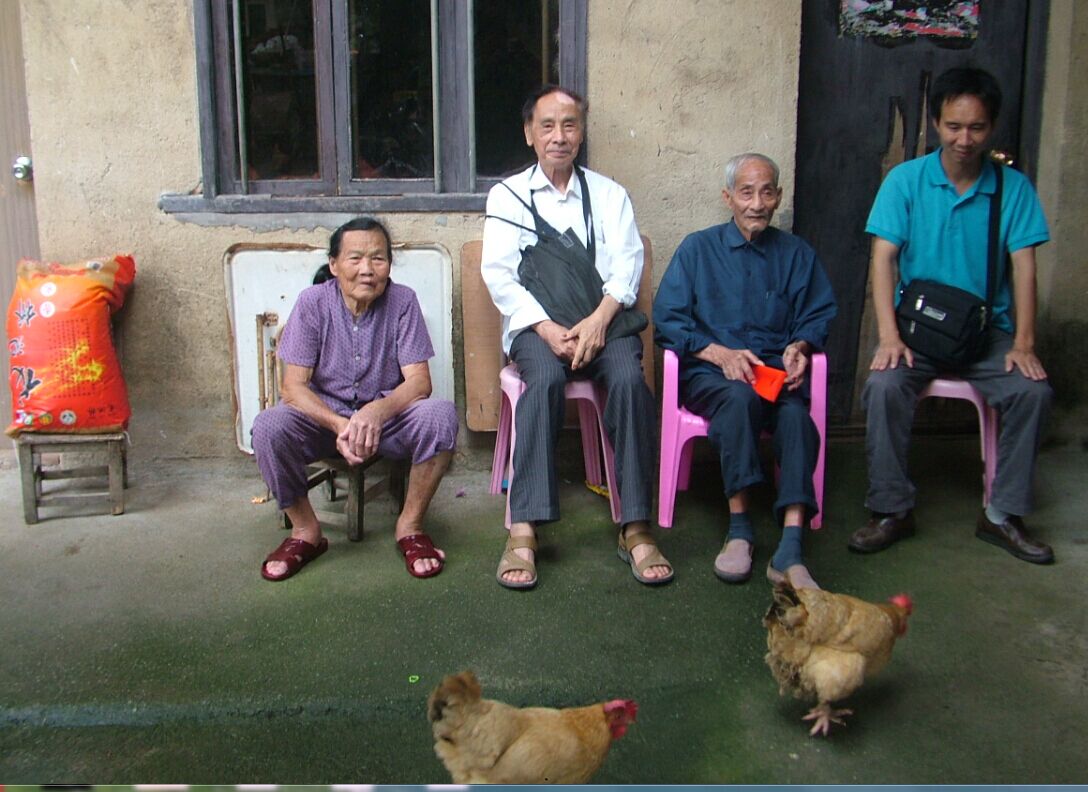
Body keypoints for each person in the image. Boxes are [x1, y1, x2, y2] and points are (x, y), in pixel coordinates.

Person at [851, 67, 1054, 564]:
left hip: (986, 334)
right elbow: (883, 258)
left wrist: (1024, 343)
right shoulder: (906, 181)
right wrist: (889, 336)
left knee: (1032, 391)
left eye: (977, 128)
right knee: (883, 387)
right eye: (954, 126)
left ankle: (1002, 514)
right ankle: (891, 508)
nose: (965, 140)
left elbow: (1025, 269)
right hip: (918, 332)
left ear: (992, 127)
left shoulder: (1011, 189)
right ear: (937, 123)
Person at [481, 84, 672, 589]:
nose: (559, 136)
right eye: (547, 126)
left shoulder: (609, 195)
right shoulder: (507, 196)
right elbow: (499, 275)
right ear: (529, 134)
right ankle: (524, 528)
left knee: (629, 381)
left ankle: (635, 525)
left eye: (569, 125)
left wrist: (598, 321)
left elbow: (627, 268)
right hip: (537, 326)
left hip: (603, 321)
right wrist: (545, 327)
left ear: (581, 133)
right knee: (542, 380)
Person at [653, 153, 837, 589]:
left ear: (778, 197)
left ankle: (791, 545)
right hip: (712, 375)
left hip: (773, 376)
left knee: (796, 419)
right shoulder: (698, 250)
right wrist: (718, 353)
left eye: (767, 192)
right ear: (728, 197)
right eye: (746, 192)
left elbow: (817, 314)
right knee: (737, 400)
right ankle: (740, 529)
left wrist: (799, 346)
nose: (757, 203)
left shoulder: (796, 254)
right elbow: (667, 320)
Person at [252, 217, 458, 581]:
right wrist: (339, 424)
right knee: (268, 426)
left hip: (386, 421)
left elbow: (419, 382)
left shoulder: (403, 301)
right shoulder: (312, 303)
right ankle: (305, 531)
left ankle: (410, 527)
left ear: (389, 264)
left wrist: (376, 412)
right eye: (355, 258)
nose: (367, 269)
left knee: (440, 415)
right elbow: (293, 387)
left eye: (378, 258)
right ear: (334, 265)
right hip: (324, 420)